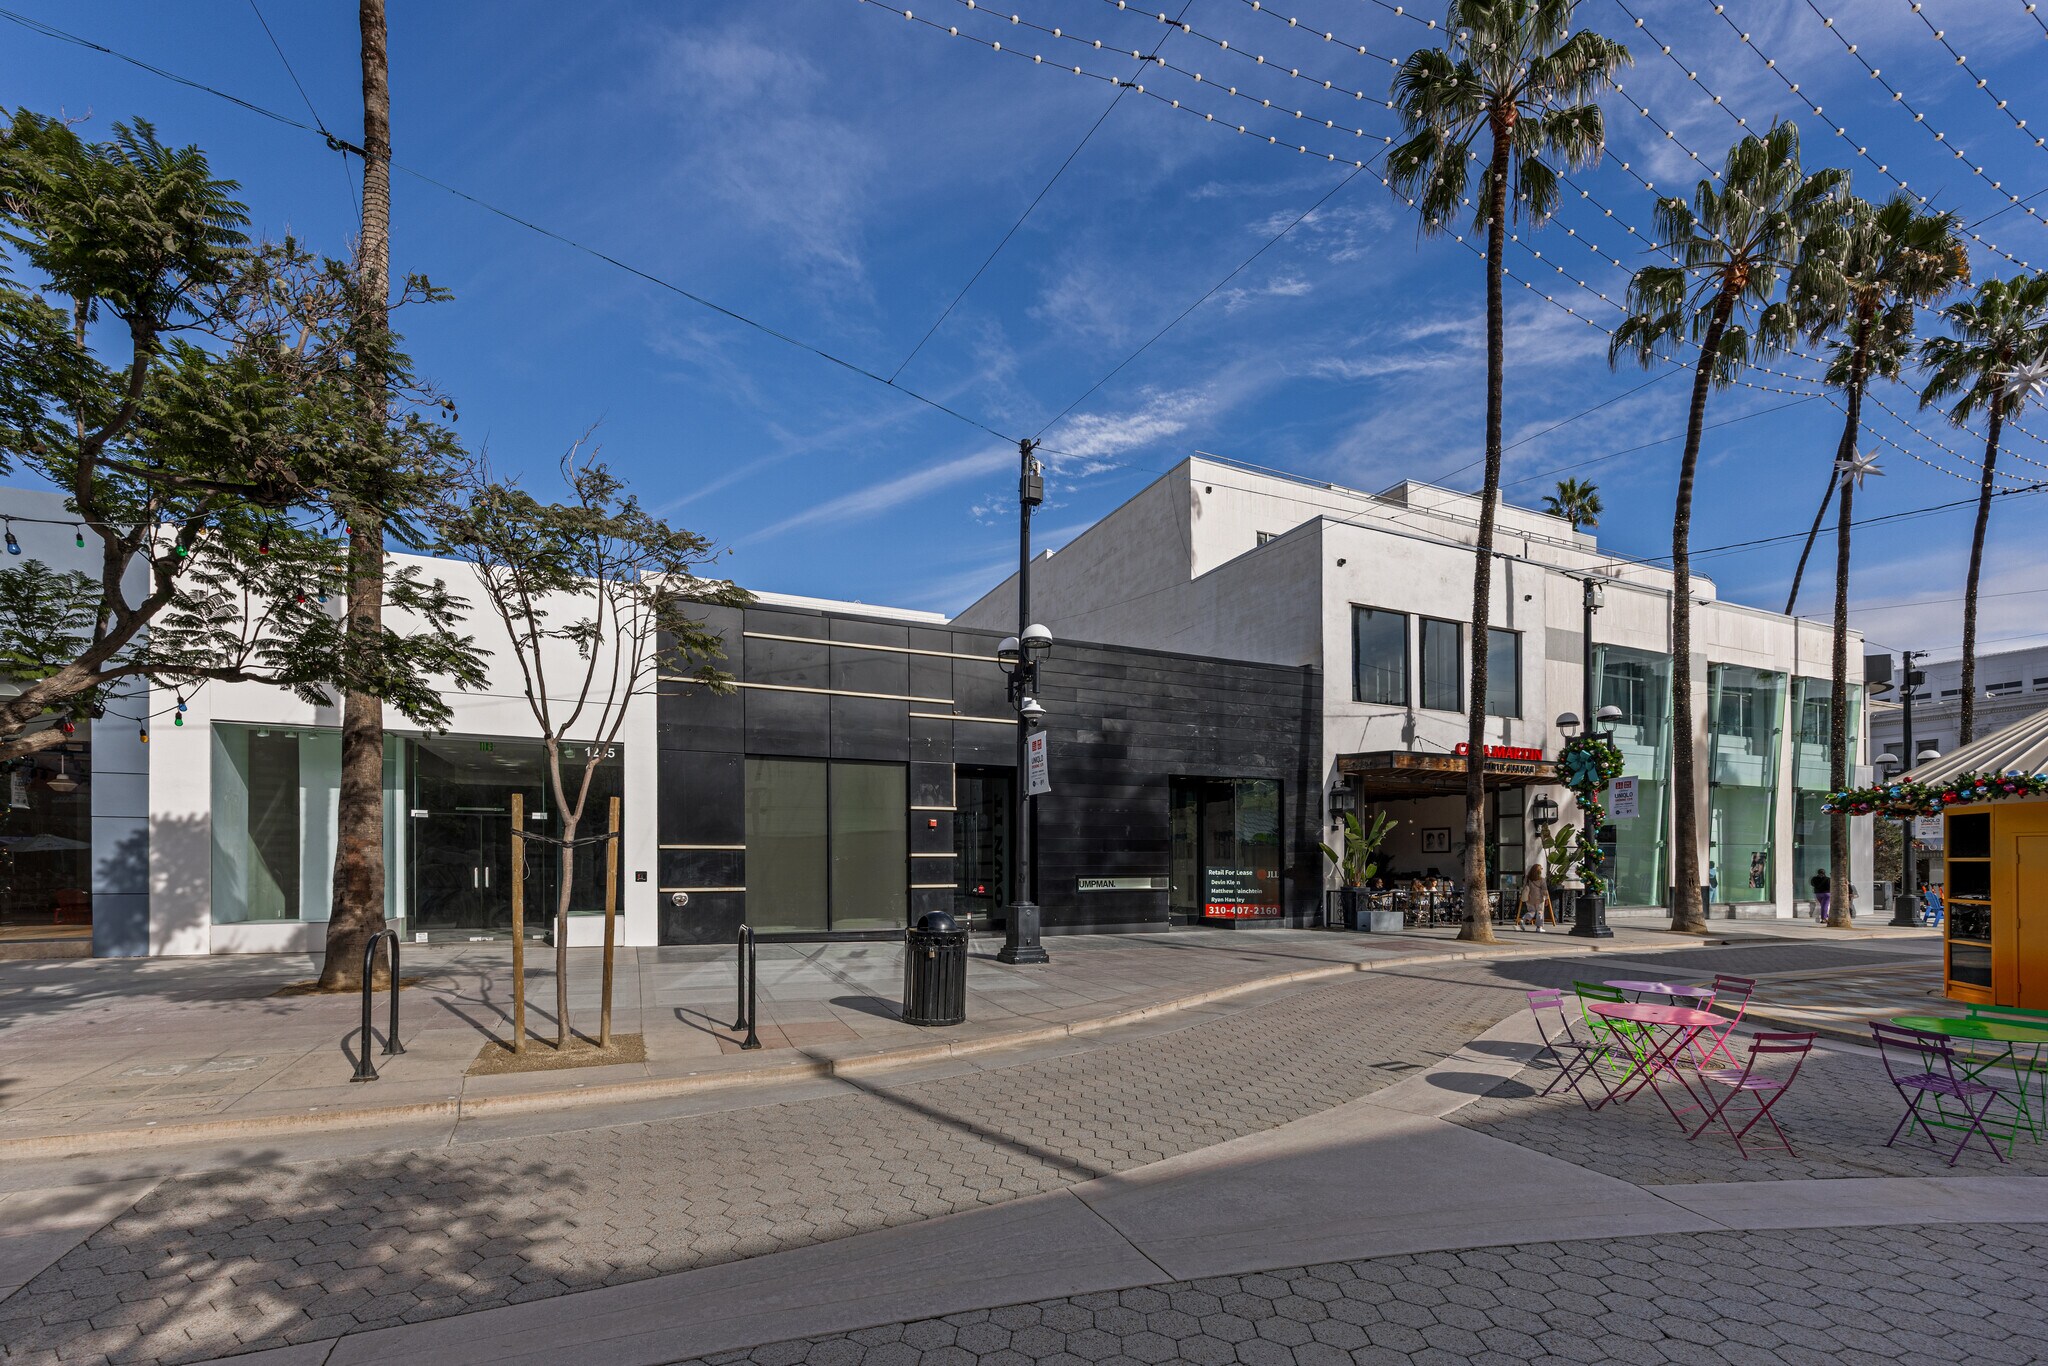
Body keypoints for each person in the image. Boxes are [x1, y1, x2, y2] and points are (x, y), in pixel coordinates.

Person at [1517, 863, 1551, 932]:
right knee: (1540, 912)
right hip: (1539, 898)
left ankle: (1523, 919)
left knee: (1531, 911)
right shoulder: (1542, 880)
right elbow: (1544, 890)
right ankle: (1539, 927)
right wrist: (1547, 899)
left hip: (1529, 898)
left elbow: (1524, 887)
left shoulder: (1527, 878)